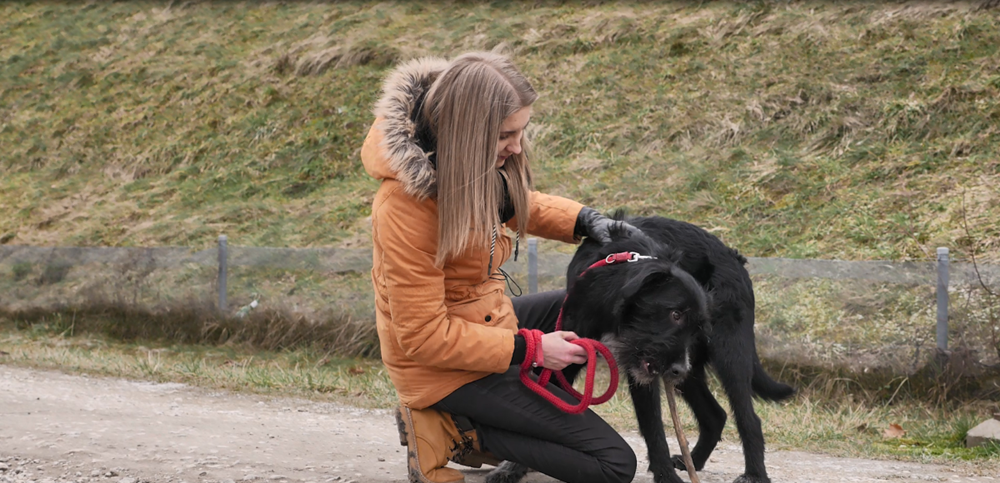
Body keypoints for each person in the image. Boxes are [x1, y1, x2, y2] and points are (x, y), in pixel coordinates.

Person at [360, 50, 637, 483]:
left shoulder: (467, 166)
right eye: (506, 134)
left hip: (483, 322)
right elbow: (423, 337)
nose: (517, 146)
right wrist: (533, 350)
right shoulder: (404, 208)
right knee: (614, 466)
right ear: (466, 132)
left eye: (521, 131)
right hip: (441, 370)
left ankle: (515, 414)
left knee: (582, 303)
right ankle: (454, 429)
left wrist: (584, 220)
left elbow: (517, 202)